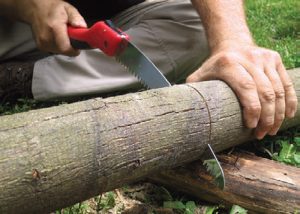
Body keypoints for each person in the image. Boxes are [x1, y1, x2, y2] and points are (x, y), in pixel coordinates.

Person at [0, 0, 297, 140]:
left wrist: (232, 41)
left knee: (195, 27)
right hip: (16, 16)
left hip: (112, 17)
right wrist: (29, 6)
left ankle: (19, 79)